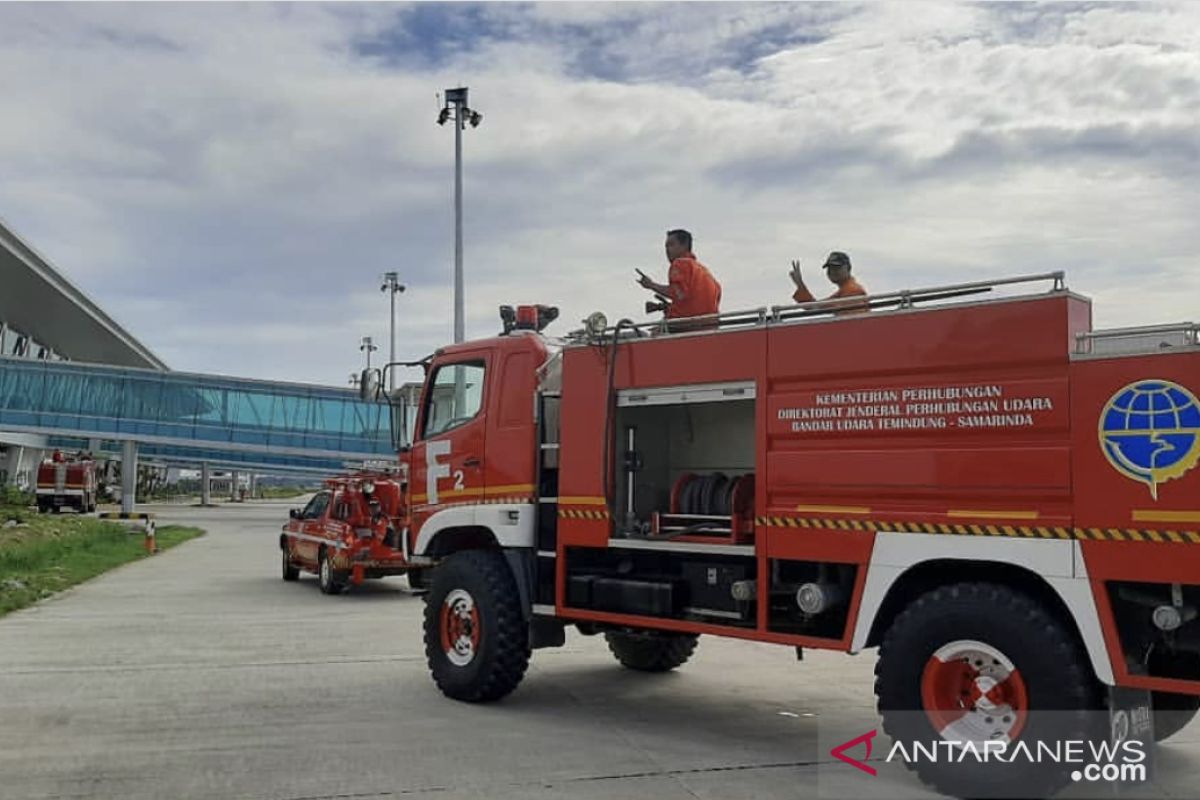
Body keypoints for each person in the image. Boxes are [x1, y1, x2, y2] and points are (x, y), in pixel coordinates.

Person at [637, 229, 722, 320]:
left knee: (643, 333)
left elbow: (678, 293)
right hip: (709, 325)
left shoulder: (680, 264)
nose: (667, 250)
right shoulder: (705, 272)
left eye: (671, 245)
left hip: (684, 325)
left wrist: (651, 285)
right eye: (666, 246)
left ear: (684, 245)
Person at [789, 251, 869, 315]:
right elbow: (815, 307)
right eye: (830, 268)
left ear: (848, 268)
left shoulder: (852, 291)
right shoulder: (844, 291)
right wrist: (800, 284)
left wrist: (800, 286)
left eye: (837, 267)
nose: (832, 272)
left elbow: (851, 324)